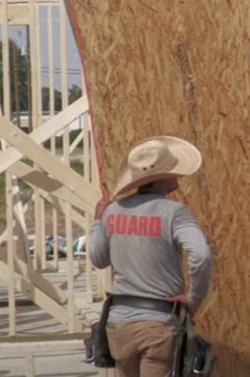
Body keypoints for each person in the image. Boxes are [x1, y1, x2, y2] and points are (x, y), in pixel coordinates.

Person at [88, 135, 213, 377]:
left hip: (118, 323)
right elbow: (201, 255)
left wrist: (98, 221)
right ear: (163, 179)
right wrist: (193, 298)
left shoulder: (113, 211)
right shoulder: (175, 213)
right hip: (157, 324)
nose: (177, 176)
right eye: (173, 171)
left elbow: (98, 258)